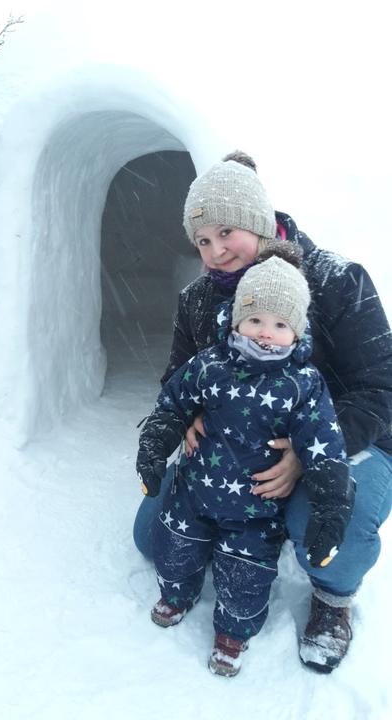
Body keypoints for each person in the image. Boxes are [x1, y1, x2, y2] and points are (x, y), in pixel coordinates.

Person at [133, 151, 392, 673]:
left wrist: (309, 451)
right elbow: (177, 376)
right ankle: (224, 533)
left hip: (344, 440)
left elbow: (380, 388)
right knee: (150, 537)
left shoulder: (337, 280)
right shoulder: (199, 300)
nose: (216, 251)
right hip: (234, 446)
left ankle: (332, 599)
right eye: (202, 241)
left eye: (227, 232)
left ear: (258, 221)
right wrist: (187, 417)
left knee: (328, 526)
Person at [136, 243, 355, 677]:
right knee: (174, 547)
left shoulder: (303, 384)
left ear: (297, 331)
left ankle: (233, 633)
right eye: (255, 320)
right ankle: (177, 594)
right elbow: (173, 404)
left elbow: (325, 449)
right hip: (194, 492)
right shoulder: (210, 365)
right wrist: (156, 444)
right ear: (236, 319)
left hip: (256, 508)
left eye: (279, 324)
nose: (264, 333)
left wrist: (332, 504)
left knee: (246, 575)